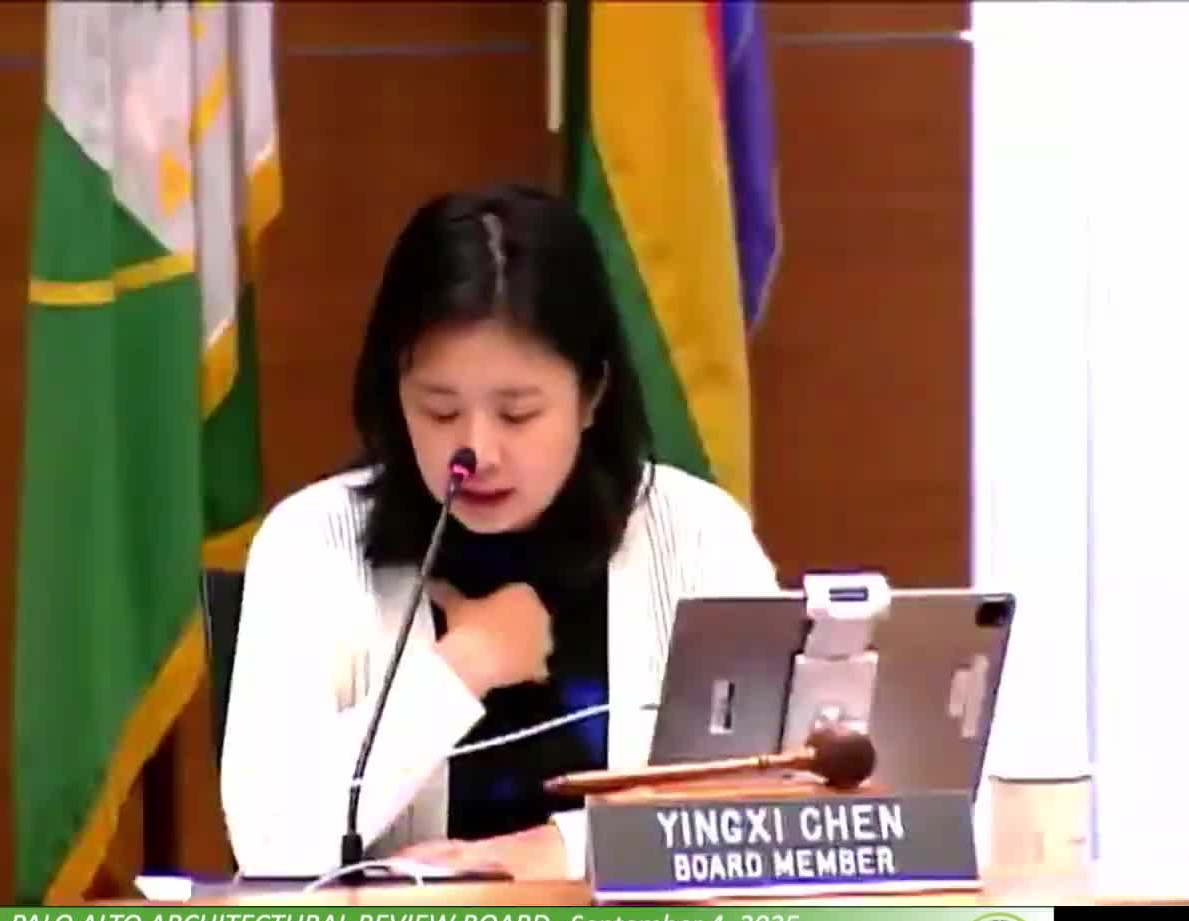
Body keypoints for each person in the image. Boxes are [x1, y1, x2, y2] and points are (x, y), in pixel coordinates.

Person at [218, 183, 780, 881]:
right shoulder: (310, 544)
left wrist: (558, 851)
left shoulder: (697, 537)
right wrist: (463, 666)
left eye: (517, 414)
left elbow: (768, 808)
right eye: (439, 411)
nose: (476, 450)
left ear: (592, 396)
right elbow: (270, 843)